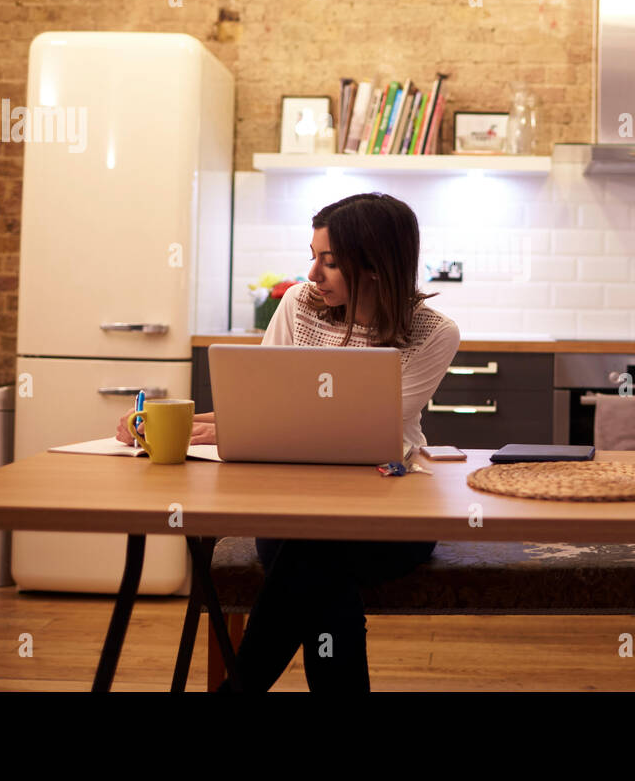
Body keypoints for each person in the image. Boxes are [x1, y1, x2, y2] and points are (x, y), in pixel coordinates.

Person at [116, 192, 460, 692]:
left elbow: (359, 429)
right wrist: (171, 421)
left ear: (377, 267)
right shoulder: (300, 304)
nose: (313, 275)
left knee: (313, 559)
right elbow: (262, 408)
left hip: (393, 513)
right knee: (321, 569)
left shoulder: (432, 332)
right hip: (294, 510)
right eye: (314, 257)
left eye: (330, 262)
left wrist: (211, 427)